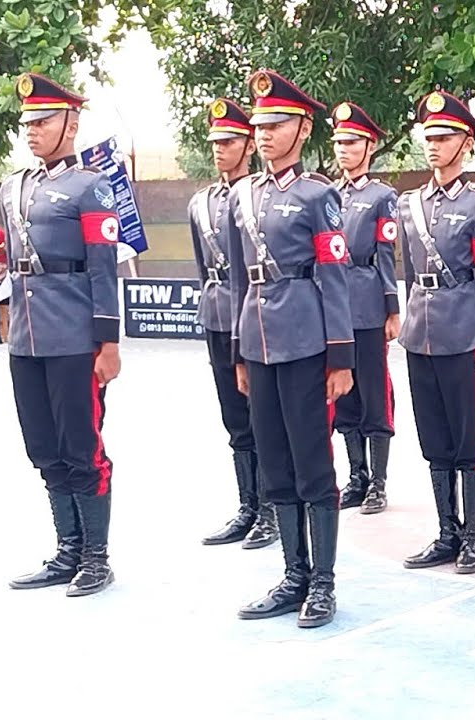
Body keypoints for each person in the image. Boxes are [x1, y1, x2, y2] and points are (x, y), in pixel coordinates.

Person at [230, 69, 354, 629]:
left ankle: (323, 583)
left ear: (303, 129)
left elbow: (334, 275)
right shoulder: (242, 195)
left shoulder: (319, 195)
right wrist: (238, 351)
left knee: (311, 461)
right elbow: (237, 277)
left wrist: (342, 356)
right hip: (258, 343)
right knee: (274, 460)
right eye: (259, 125)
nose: (265, 134)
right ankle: (292, 574)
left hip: (306, 343)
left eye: (277, 124)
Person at [2, 73, 121, 597]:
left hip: (75, 336)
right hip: (27, 337)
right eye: (27, 122)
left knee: (81, 445)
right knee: (43, 446)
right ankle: (67, 548)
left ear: (71, 123)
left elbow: (102, 268)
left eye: (43, 121)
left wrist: (108, 342)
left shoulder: (90, 187)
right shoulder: (15, 186)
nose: (32, 131)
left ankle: (96, 556)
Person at [398, 90, 475, 574]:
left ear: (467, 143)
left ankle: (472, 536)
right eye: (429, 137)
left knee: (468, 438)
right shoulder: (408, 204)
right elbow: (411, 274)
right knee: (433, 437)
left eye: (445, 136)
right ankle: (445, 531)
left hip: (464, 331)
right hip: (420, 331)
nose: (434, 145)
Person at [190, 97, 279, 550]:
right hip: (218, 314)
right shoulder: (200, 202)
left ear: (248, 145)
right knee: (234, 418)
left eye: (229, 141)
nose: (220, 150)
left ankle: (270, 509)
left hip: (254, 313)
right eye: (215, 142)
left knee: (261, 415)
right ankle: (247, 505)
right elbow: (200, 265)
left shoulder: (257, 197)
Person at [330, 101, 400, 515]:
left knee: (374, 391)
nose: (343, 150)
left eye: (352, 142)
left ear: (369, 146)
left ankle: (378, 481)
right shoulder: (328, 195)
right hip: (334, 302)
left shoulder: (381, 196)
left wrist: (391, 307)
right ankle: (356, 475)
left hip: (367, 297)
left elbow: (385, 253)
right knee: (343, 394)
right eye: (339, 142)